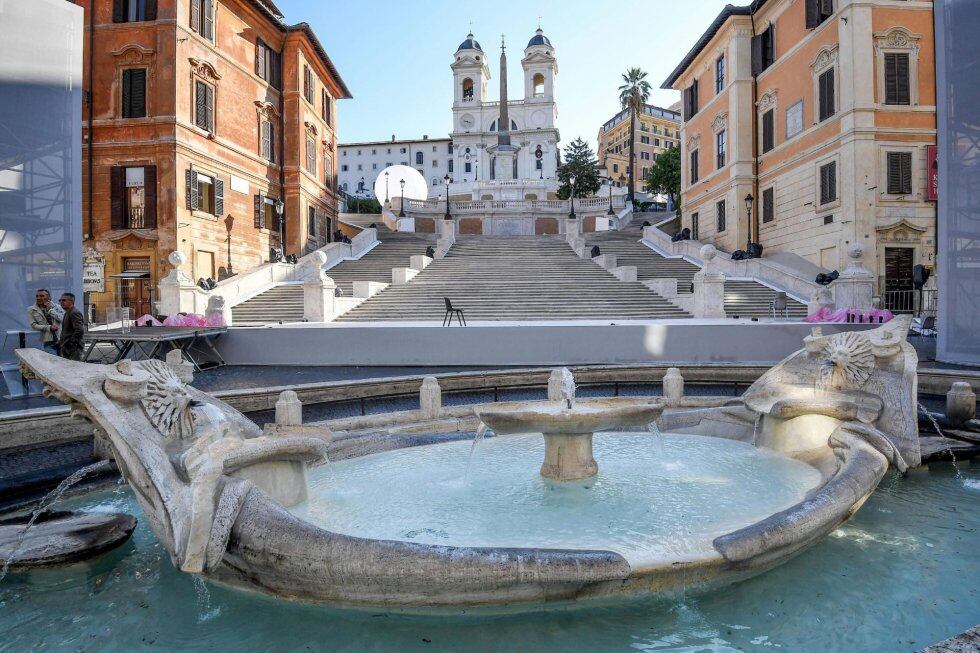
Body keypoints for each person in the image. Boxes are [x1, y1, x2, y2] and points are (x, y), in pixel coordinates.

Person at [27, 289, 64, 355]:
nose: (38, 298)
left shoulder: (57, 307)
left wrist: (50, 310)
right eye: (37, 296)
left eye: (41, 296)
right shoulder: (31, 309)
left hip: (61, 340)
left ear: (49, 297)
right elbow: (33, 325)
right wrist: (48, 327)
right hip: (48, 341)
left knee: (64, 362)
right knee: (52, 362)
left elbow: (63, 320)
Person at [57, 292, 85, 361]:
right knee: (69, 368)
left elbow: (79, 330)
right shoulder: (67, 312)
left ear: (71, 301)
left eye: (64, 300)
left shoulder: (74, 312)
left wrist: (71, 342)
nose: (61, 302)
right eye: (60, 300)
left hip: (74, 347)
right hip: (67, 346)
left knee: (75, 368)